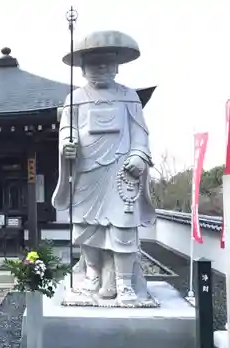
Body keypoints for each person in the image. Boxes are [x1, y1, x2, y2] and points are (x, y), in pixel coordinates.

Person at [52, 30, 156, 304]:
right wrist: (67, 145)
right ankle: (92, 275)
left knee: (123, 228)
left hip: (122, 172)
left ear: (117, 66)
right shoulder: (74, 98)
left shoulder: (129, 97)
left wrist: (139, 155)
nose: (102, 68)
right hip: (88, 171)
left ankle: (124, 284)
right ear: (83, 68)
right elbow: (67, 130)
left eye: (108, 63)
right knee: (88, 228)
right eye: (95, 63)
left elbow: (141, 133)